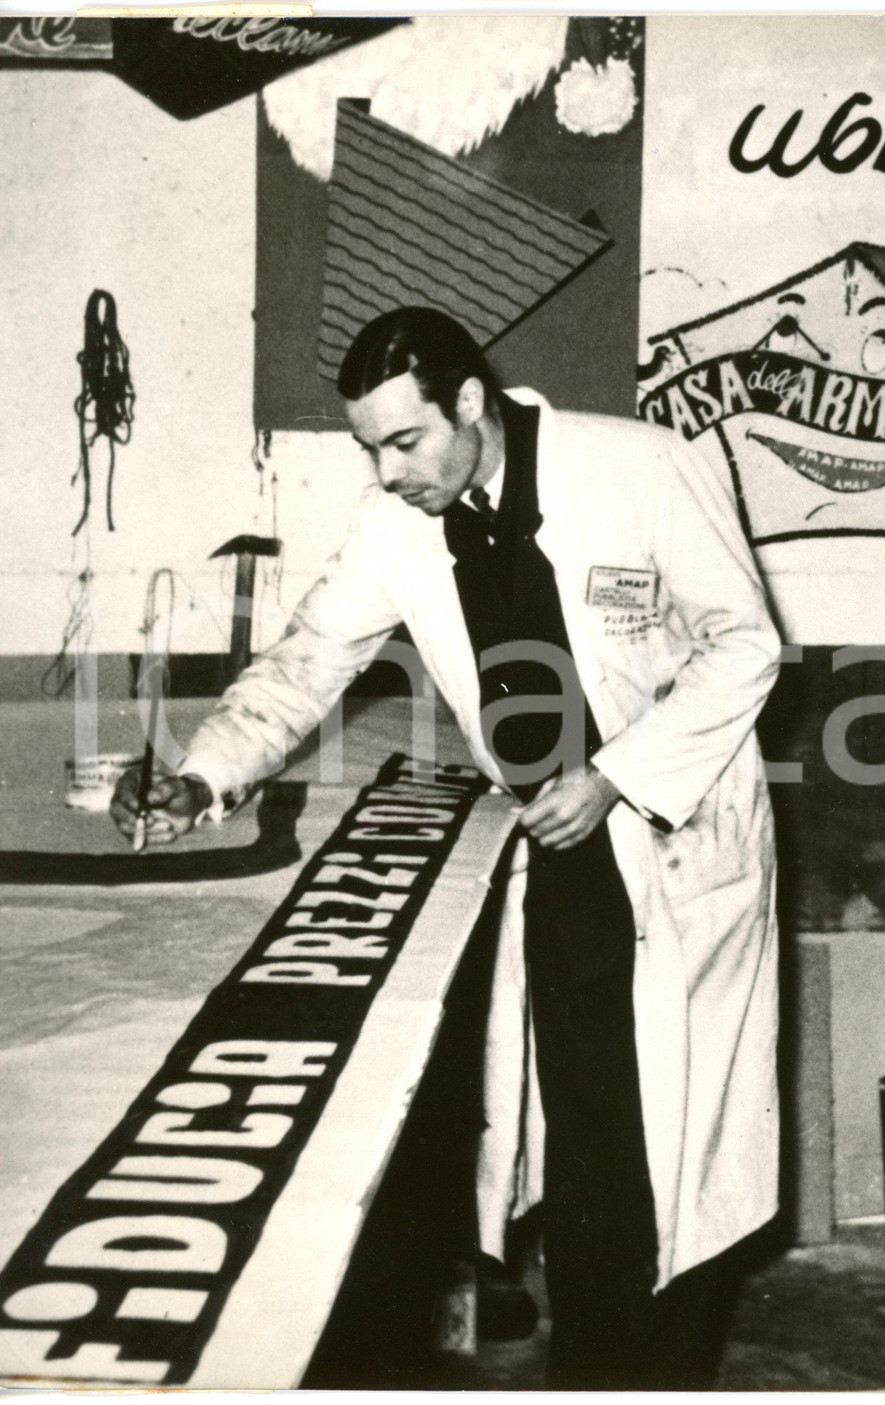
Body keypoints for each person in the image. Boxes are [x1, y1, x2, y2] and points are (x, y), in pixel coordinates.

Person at [112, 306, 782, 1388]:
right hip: (555, 859)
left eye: (404, 441)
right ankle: (600, 1367)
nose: (386, 472)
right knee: (588, 1145)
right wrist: (204, 773)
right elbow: (308, 660)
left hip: (670, 839)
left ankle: (641, 1373)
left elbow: (744, 644)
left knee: (663, 1166)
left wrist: (614, 779)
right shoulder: (398, 525)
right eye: (369, 447)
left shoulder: (646, 468)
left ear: (470, 402)